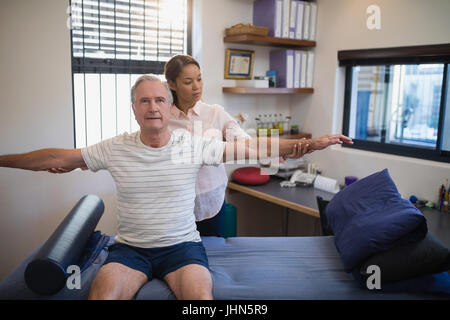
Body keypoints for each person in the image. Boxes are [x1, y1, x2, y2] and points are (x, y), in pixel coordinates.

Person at [0, 75, 353, 300]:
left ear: (170, 107)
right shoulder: (114, 147)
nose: (153, 107)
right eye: (144, 101)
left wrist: (305, 145)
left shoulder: (194, 144)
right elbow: (53, 156)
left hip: (183, 248)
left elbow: (251, 148)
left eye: (159, 100)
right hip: (130, 251)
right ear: (135, 109)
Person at [164, 54, 338, 236]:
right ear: (172, 84)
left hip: (212, 204)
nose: (197, 86)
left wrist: (301, 146)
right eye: (188, 81)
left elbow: (249, 145)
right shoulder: (163, 119)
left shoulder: (215, 113)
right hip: (177, 205)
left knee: (213, 258)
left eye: (199, 79)